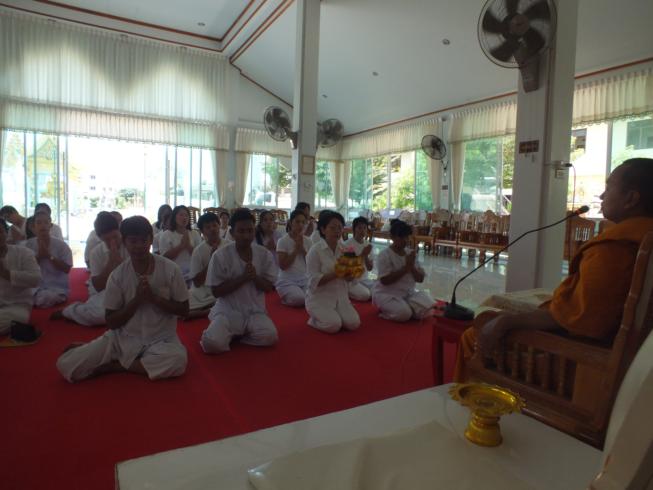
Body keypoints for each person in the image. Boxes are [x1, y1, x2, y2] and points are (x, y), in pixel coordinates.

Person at [454, 158, 653, 382]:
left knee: (474, 335)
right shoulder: (644, 238)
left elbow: (579, 321)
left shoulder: (615, 248)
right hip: (637, 364)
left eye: (609, 187)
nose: (602, 195)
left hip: (584, 365)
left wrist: (506, 322)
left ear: (631, 199)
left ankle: (469, 401)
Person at [56, 216, 188, 383]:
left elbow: (184, 310)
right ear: (124, 242)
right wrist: (137, 300)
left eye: (143, 240)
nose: (139, 246)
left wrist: (154, 299)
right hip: (123, 339)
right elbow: (111, 322)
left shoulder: (170, 269)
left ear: (151, 239)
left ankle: (116, 366)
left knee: (178, 360)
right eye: (133, 241)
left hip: (161, 339)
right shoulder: (117, 275)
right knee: (66, 364)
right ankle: (120, 357)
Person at [200, 208, 278, 353]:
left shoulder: (263, 254)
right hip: (227, 312)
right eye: (241, 231)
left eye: (250, 231)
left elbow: (269, 288)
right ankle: (232, 332)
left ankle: (239, 336)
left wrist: (254, 277)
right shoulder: (220, 255)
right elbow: (216, 292)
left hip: (254, 312)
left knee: (270, 336)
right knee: (211, 343)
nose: (246, 236)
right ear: (232, 232)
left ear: (254, 231)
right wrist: (243, 278)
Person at [52, 211, 127, 325]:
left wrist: (120, 261)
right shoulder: (96, 253)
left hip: (128, 288)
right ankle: (71, 311)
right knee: (101, 315)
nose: (113, 242)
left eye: (115, 237)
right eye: (107, 239)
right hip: (104, 291)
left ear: (119, 231)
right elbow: (99, 286)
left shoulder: (129, 245)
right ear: (100, 238)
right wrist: (111, 262)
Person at [305, 211, 361, 334]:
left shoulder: (347, 250)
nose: (337, 231)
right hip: (320, 299)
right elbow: (313, 281)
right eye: (332, 227)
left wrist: (351, 274)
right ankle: (313, 320)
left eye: (340, 227)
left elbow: (353, 279)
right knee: (334, 325)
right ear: (323, 230)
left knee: (353, 324)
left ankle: (337, 314)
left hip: (341, 298)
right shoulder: (315, 251)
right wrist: (337, 272)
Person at [372, 219, 434, 322]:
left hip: (408, 294)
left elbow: (420, 279)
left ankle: (406, 307)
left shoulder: (410, 254)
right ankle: (386, 311)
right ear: (392, 237)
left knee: (428, 309)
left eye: (407, 237)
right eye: (401, 237)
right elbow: (384, 281)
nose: (405, 240)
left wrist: (411, 267)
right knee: (404, 314)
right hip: (387, 294)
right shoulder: (384, 255)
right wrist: (406, 268)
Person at [0, 218, 41, 336]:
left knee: (15, 318)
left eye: (0, 231)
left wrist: (5, 273)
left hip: (16, 305)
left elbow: (36, 279)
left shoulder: (24, 253)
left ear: (6, 233)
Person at [25, 211, 72, 308]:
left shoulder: (62, 246)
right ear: (33, 227)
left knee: (47, 297)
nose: (43, 226)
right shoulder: (28, 245)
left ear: (50, 226)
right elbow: (25, 268)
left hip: (56, 287)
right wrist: (39, 256)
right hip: (34, 286)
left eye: (46, 222)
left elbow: (67, 269)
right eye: (39, 223)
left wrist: (49, 256)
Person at [188, 212, 226, 317]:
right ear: (202, 231)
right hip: (203, 292)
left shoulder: (230, 246)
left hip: (223, 288)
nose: (212, 229)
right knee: (183, 302)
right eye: (208, 227)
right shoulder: (198, 251)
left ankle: (207, 310)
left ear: (219, 226)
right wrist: (211, 260)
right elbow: (197, 283)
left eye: (214, 225)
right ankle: (211, 309)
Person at [276, 209, 313, 307]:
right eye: (297, 221)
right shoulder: (283, 241)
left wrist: (302, 250)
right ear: (290, 222)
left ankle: (299, 295)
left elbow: (311, 264)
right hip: (287, 280)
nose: (300, 225)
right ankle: (285, 298)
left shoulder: (308, 241)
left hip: (304, 279)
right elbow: (283, 266)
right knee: (300, 299)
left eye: (303, 222)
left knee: (316, 296)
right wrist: (296, 250)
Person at [159, 205, 201, 285]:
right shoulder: (166, 235)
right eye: (181, 215)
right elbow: (164, 257)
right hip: (173, 275)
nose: (184, 218)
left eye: (186, 215)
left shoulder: (194, 234)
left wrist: (188, 245)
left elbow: (199, 256)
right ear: (174, 217)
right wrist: (181, 246)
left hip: (192, 275)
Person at [343, 216, 374, 302]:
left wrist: (366, 255)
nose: (362, 231)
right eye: (359, 228)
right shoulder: (347, 245)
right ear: (354, 229)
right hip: (351, 281)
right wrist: (363, 254)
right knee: (366, 295)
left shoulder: (368, 245)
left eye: (364, 228)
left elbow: (370, 268)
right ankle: (345, 290)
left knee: (378, 291)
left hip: (364, 279)